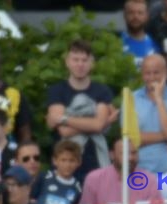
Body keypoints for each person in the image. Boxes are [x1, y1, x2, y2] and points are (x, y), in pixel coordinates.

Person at [46, 40, 119, 183]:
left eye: (84, 60)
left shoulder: (102, 90)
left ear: (92, 63)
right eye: (75, 60)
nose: (80, 64)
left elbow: (97, 125)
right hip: (66, 163)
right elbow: (64, 132)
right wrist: (101, 122)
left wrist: (65, 119)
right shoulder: (56, 90)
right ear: (67, 62)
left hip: (97, 160)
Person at [134, 54, 167, 174]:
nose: (152, 77)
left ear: (166, 73)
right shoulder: (131, 99)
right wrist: (166, 136)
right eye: (147, 73)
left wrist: (159, 99)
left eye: (156, 72)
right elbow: (132, 139)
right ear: (142, 75)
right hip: (139, 170)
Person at [122, 0, 161, 69]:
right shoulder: (116, 43)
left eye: (140, 13)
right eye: (131, 13)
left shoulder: (155, 47)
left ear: (147, 16)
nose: (135, 17)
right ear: (124, 15)